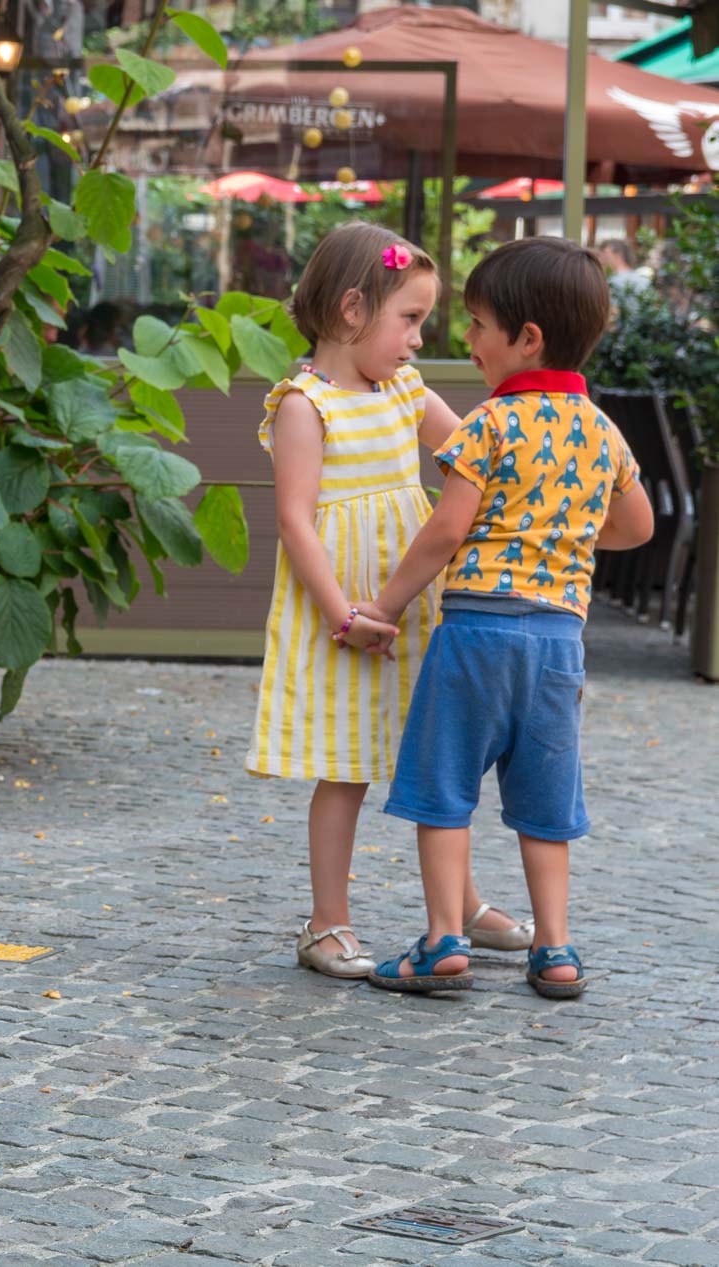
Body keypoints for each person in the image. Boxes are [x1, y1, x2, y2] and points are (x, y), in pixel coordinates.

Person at [362, 236, 654, 996]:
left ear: (526, 339)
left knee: (444, 786)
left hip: (476, 634)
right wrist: (568, 529)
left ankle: (443, 939)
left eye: (480, 325)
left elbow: (446, 531)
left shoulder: (489, 425)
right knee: (547, 802)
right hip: (559, 643)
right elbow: (638, 527)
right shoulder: (601, 429)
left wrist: (385, 605)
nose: (468, 339)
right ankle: (555, 949)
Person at [246, 222, 535, 980]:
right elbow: (295, 519)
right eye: (408, 320)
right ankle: (326, 922)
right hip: (344, 614)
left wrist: (545, 441)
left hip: (417, 602)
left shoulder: (407, 390)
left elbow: (476, 452)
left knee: (442, 752)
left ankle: (462, 906)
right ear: (351, 311)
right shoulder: (304, 405)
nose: (416, 341)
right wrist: (345, 611)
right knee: (345, 766)